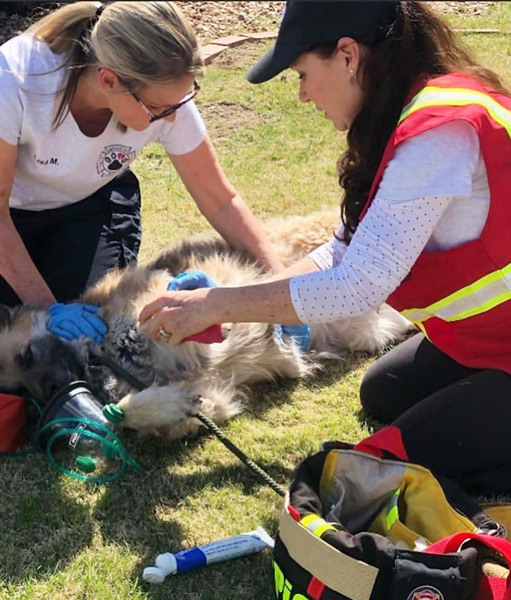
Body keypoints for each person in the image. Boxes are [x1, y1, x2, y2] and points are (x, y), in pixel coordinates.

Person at [139, 1, 511, 493]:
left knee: (379, 470)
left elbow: (359, 284)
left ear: (348, 55)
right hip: (489, 339)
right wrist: (230, 304)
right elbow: (341, 254)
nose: (302, 95)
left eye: (302, 74)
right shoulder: (408, 114)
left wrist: (217, 304)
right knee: (384, 393)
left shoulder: (438, 131)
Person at [0, 1, 285, 364]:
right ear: (109, 80)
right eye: (159, 109)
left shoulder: (163, 95)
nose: (173, 116)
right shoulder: (16, 78)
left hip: (90, 208)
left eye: (183, 99)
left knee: (88, 339)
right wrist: (47, 308)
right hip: (2, 215)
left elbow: (220, 200)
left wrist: (282, 288)